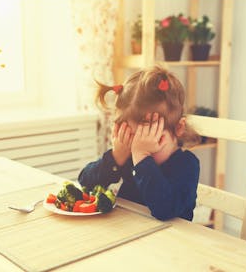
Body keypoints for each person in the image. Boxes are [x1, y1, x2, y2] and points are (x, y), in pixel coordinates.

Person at [78, 65, 201, 221]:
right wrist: (115, 158)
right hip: (129, 233)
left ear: (179, 128)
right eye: (132, 137)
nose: (138, 145)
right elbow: (85, 184)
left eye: (149, 137)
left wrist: (142, 157)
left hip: (170, 240)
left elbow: (165, 210)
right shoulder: (129, 154)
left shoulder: (187, 165)